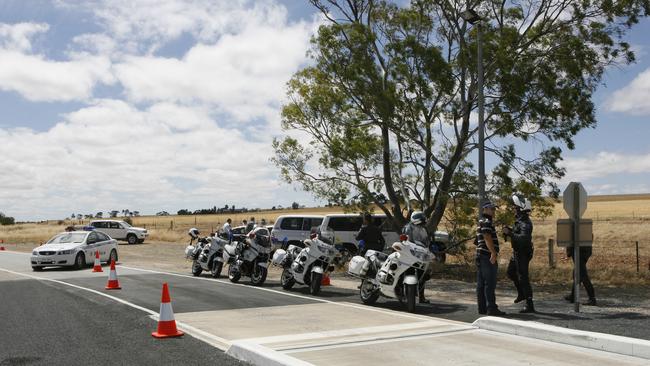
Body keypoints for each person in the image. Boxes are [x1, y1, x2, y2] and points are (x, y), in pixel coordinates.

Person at [504, 194, 535, 313]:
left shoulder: (525, 223)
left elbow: (524, 239)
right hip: (517, 252)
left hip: (523, 253)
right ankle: (522, 293)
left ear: (520, 209)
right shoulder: (519, 221)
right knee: (511, 272)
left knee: (523, 277)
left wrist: (511, 234)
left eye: (515, 207)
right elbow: (518, 235)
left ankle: (529, 304)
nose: (513, 209)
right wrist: (509, 232)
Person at [476, 201, 506, 316]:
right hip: (486, 256)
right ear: (485, 209)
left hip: (481, 255)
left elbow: (477, 240)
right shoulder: (486, 221)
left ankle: (483, 308)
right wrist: (493, 253)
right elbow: (487, 237)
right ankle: (491, 308)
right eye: (492, 209)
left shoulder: (482, 222)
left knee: (481, 283)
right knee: (490, 283)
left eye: (494, 209)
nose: (494, 211)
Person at [402, 211, 431, 304]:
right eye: (419, 217)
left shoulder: (423, 229)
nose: (422, 220)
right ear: (414, 218)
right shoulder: (408, 228)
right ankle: (405, 294)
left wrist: (428, 247)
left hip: (420, 254)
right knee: (407, 272)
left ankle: (421, 297)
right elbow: (406, 240)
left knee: (422, 275)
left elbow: (426, 240)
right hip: (410, 254)